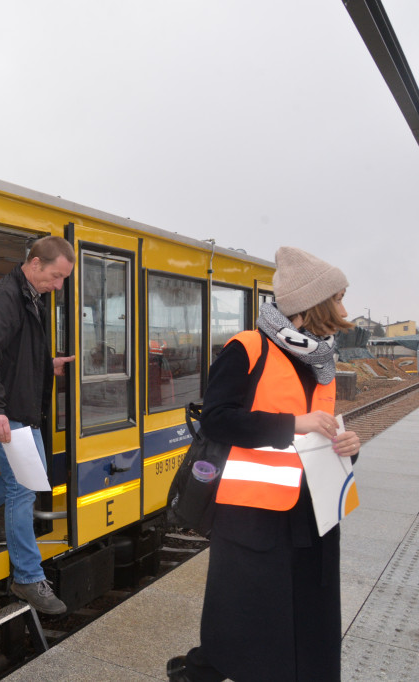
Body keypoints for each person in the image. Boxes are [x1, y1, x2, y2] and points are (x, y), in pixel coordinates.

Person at [167, 247, 361, 681]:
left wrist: (348, 444)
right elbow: (216, 420)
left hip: (314, 511)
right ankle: (202, 671)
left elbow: (322, 428)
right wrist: (292, 423)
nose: (346, 310)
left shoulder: (323, 359)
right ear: (316, 303)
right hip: (253, 511)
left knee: (311, 615)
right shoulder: (247, 348)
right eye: (341, 298)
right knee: (245, 614)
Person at [0, 235, 75, 615]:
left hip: (20, 404)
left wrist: (49, 366)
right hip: (2, 407)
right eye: (56, 277)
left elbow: (20, 353)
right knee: (24, 484)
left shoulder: (31, 295)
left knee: (32, 473)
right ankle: (27, 577)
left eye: (63, 279)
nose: (58, 285)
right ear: (35, 263)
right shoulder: (5, 296)